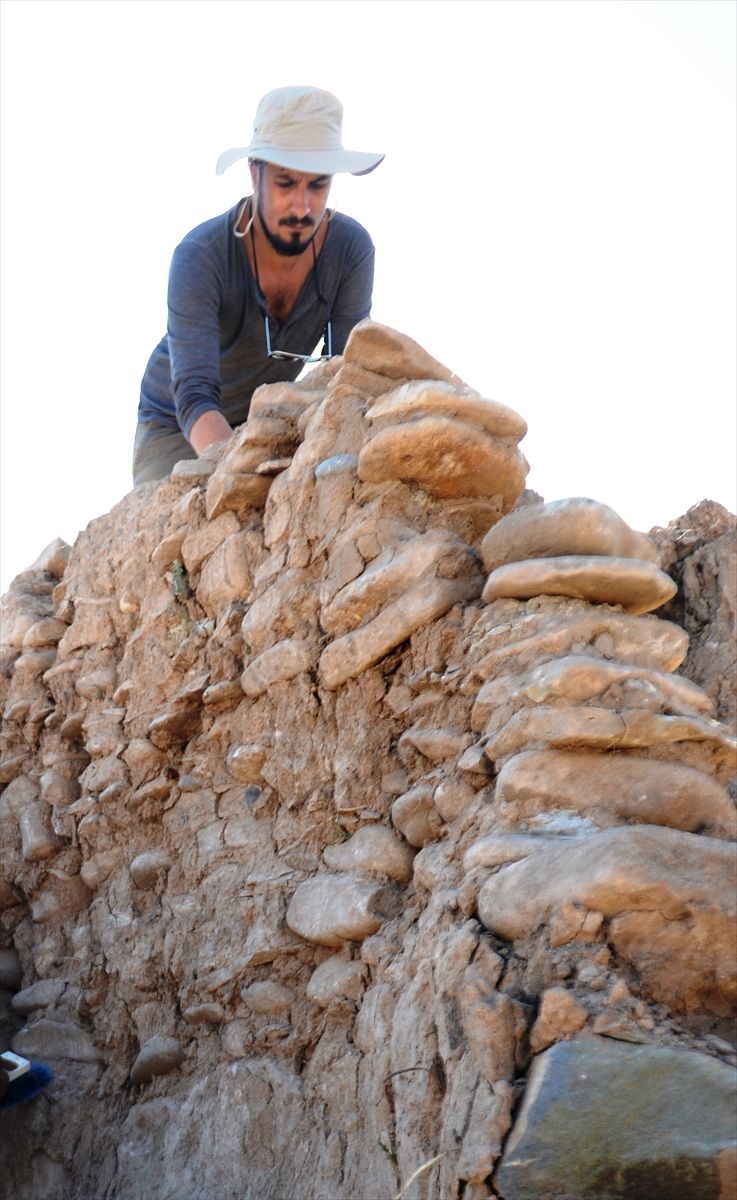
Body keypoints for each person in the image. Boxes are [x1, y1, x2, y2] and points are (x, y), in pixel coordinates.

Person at [132, 85, 384, 485]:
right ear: (254, 172)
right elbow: (194, 394)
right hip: (178, 424)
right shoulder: (201, 256)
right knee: (181, 528)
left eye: (317, 185)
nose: (302, 207)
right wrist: (238, 471)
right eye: (286, 183)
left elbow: (344, 378)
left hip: (268, 420)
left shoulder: (350, 251)